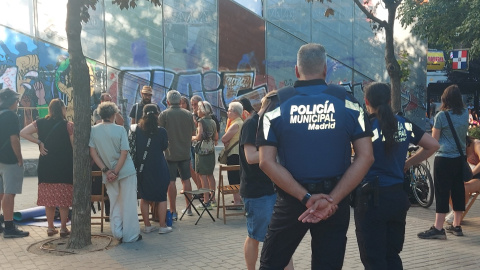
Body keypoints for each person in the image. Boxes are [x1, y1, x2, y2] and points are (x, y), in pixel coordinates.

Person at [256, 43, 374, 269]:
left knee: (271, 264)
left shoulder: (276, 104)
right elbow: (366, 157)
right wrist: (332, 200)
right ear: (325, 69)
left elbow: (266, 162)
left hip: (293, 199)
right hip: (334, 201)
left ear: (296, 70)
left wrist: (306, 197)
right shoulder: (349, 102)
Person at [354, 83, 439, 269]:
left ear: (366, 101)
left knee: (373, 259)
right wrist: (407, 164)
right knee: (392, 255)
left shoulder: (364, 127)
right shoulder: (404, 123)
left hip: (371, 200)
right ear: (390, 100)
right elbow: (433, 145)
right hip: (397, 197)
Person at [240, 92, 294, 270]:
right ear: (269, 105)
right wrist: (275, 154)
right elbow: (250, 156)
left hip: (275, 188)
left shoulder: (273, 123)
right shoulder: (251, 123)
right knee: (256, 235)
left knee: (282, 237)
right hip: (257, 191)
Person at [418, 84, 469, 239]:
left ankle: (439, 228)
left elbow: (434, 141)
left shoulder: (441, 116)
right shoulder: (465, 113)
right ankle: (457, 226)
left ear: (444, 98)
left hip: (444, 158)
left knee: (442, 191)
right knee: (458, 190)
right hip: (460, 158)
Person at [20, 99, 75, 237]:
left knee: (49, 198)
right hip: (64, 165)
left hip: (46, 164)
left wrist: (39, 142)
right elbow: (74, 146)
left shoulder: (40, 122)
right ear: (62, 109)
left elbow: (23, 132)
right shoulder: (68, 125)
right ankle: (63, 228)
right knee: (64, 199)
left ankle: (50, 227)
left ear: (50, 109)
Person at [89, 101, 141, 243]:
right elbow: (124, 153)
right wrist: (116, 171)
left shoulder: (93, 130)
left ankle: (117, 232)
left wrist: (107, 171)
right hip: (125, 171)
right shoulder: (120, 130)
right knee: (129, 202)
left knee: (114, 202)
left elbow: (93, 153)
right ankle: (131, 235)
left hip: (108, 173)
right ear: (113, 114)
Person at [134, 104, 172, 234]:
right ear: (157, 115)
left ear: (143, 115)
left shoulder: (137, 130)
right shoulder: (161, 131)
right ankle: (162, 226)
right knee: (161, 197)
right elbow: (163, 147)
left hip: (143, 169)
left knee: (144, 197)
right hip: (159, 167)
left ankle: (147, 226)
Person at [159, 90, 196, 220]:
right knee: (186, 180)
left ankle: (173, 210)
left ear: (168, 102)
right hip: (185, 152)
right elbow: (193, 131)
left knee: (171, 181)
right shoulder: (188, 114)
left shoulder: (164, 114)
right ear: (180, 101)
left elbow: (160, 131)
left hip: (170, 153)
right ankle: (189, 208)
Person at [0, 88, 29, 238]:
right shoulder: (11, 116)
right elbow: (14, 139)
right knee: (9, 193)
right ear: (11, 102)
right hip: (9, 160)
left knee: (1, 192)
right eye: (16, 100)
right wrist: (19, 158)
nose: (18, 103)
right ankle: (9, 226)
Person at [445, 136, 480, 225]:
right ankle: (456, 211)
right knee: (450, 185)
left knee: (464, 187)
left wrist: (470, 174)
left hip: (477, 175)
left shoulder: (476, 144)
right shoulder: (461, 149)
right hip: (473, 174)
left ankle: (457, 213)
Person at [191, 101, 218, 211]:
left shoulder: (201, 121)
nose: (197, 111)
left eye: (198, 109)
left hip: (202, 151)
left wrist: (191, 137)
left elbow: (199, 137)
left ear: (202, 110)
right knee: (210, 175)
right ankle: (213, 199)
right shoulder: (212, 121)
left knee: (202, 175)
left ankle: (206, 200)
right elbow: (216, 137)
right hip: (211, 150)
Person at [221, 101, 244, 207]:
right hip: (240, 153)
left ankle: (237, 201)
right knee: (239, 177)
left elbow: (224, 138)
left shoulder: (235, 124)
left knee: (233, 178)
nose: (227, 112)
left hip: (234, 154)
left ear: (235, 112)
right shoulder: (242, 122)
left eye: (229, 110)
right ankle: (239, 199)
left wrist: (226, 141)